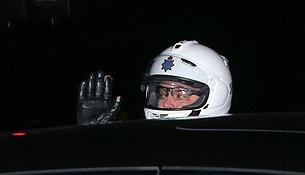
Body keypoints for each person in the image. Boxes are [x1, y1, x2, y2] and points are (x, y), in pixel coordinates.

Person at [76, 40, 233, 125]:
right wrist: (92, 137)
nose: (165, 104)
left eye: (180, 94)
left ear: (217, 94)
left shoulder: (231, 156)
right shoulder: (141, 147)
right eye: (161, 93)